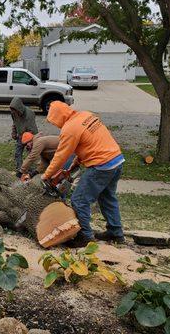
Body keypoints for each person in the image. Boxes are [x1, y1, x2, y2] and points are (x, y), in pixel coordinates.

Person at [42, 101, 125, 247]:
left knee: (79, 200)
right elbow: (92, 142)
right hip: (116, 159)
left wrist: (46, 175)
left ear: (58, 116)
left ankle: (85, 236)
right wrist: (76, 163)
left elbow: (60, 156)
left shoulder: (69, 128)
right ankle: (116, 232)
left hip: (101, 165)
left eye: (54, 121)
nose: (55, 124)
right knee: (107, 198)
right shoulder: (85, 115)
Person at [9, 97, 38, 171]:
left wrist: (30, 142)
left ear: (19, 108)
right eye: (13, 111)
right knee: (18, 153)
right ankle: (20, 169)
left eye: (15, 111)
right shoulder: (13, 113)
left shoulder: (29, 114)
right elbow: (15, 123)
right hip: (20, 135)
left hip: (30, 136)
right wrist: (14, 132)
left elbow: (33, 129)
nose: (14, 113)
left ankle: (31, 169)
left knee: (31, 154)